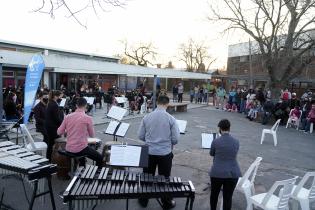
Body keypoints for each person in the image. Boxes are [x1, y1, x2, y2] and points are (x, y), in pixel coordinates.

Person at [138, 95, 180, 209]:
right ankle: (166, 201)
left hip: (148, 151)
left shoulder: (147, 117)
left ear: (157, 103)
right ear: (167, 104)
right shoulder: (171, 119)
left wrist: (150, 141)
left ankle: (143, 200)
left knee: (146, 177)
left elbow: (140, 135)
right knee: (164, 178)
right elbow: (176, 139)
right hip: (164, 153)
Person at [57, 97, 103, 166]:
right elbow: (92, 135)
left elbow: (59, 132)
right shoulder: (88, 118)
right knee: (100, 158)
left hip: (69, 148)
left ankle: (81, 169)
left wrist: (68, 130)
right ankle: (95, 174)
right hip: (80, 149)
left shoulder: (67, 117)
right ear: (85, 106)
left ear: (76, 105)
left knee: (83, 153)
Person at [209, 119, 241, 210]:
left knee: (214, 195)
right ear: (229, 128)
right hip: (232, 173)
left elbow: (211, 154)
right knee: (228, 197)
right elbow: (234, 153)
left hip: (217, 172)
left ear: (220, 129)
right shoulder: (236, 141)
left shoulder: (215, 141)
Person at [45, 90, 64, 161]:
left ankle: (49, 158)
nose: (61, 98)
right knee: (52, 143)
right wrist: (63, 125)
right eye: (60, 96)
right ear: (55, 96)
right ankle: (50, 159)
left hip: (49, 126)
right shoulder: (54, 105)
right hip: (53, 127)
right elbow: (57, 118)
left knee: (50, 143)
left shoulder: (50, 103)